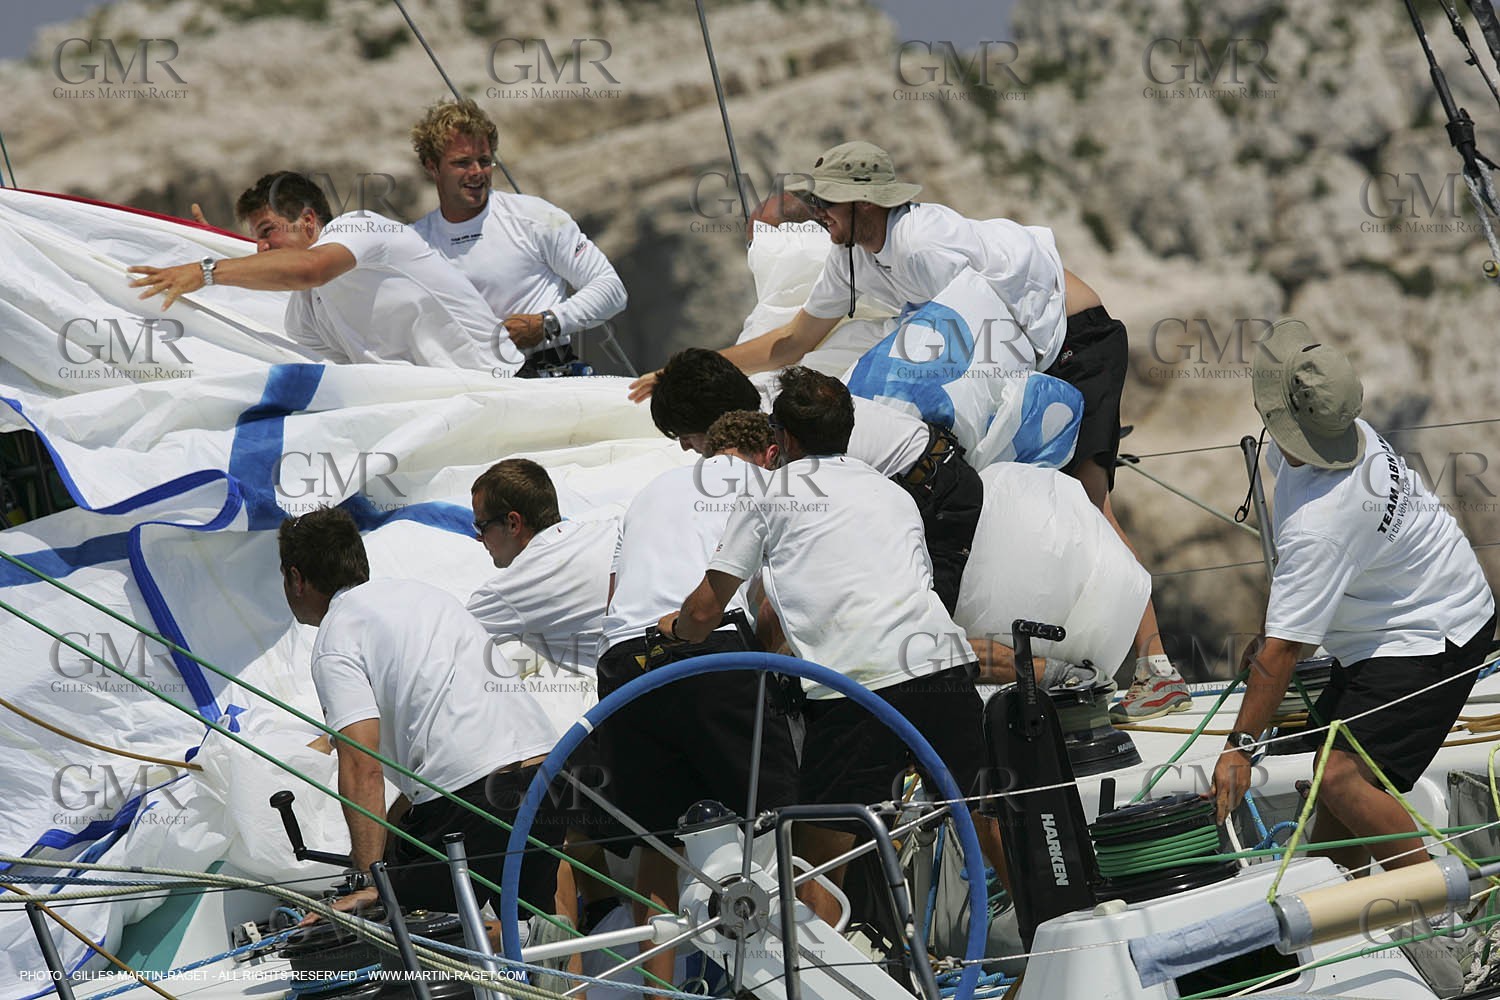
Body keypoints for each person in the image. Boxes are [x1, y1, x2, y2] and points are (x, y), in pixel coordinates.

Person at [630, 142, 1190, 720]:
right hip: (1023, 345)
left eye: (828, 202)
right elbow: (792, 342)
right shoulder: (851, 259)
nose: (817, 212)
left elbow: (979, 331)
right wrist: (692, 365)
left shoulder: (924, 245)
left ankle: (1158, 667)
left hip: (1071, 341)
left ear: (865, 205)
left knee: (1088, 500)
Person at [664, 367, 1004, 922]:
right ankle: (1053, 935)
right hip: (943, 670)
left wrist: (673, 630)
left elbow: (704, 612)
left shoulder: (771, 495)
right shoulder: (893, 493)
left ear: (785, 440)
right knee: (985, 817)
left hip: (857, 692)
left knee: (811, 867)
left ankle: (825, 978)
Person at [1210, 322, 1496, 874]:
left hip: (1435, 633)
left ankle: (1444, 911)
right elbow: (1291, 619)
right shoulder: (1346, 431)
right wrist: (1275, 635)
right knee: (1330, 780)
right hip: (1400, 616)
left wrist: (1239, 748)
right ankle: (1348, 899)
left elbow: (1284, 652)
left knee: (1339, 776)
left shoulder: (1322, 522)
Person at [277, 506, 564, 920]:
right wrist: (390, 841)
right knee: (525, 939)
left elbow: (362, 764)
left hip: (474, 800)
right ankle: (535, 942)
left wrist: (367, 880)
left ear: (296, 578)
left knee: (405, 921)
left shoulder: (337, 635)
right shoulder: (423, 595)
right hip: (545, 779)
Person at [596, 414, 800, 985]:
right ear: (767, 452)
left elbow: (616, 601)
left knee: (658, 842)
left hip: (623, 665)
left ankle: (660, 995)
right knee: (777, 823)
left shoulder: (646, 496)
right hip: (710, 653)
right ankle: (783, 982)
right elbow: (775, 604)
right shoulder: (764, 486)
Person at [649, 348, 982, 614]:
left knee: (918, 633)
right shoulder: (768, 395)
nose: (683, 446)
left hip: (938, 497)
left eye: (686, 434)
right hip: (927, 473)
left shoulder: (772, 442)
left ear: (716, 421)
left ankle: (1030, 669)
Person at [133, 172, 519, 373]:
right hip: (448, 407)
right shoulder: (305, 314)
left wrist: (205, 270)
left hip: (505, 384)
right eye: (255, 240)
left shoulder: (361, 225)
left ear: (308, 221)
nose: (261, 248)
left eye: (267, 232)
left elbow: (309, 268)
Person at [467, 458, 621, 929]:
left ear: (513, 523)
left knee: (541, 824)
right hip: (671, 692)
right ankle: (604, 903)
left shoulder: (515, 584)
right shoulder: (608, 529)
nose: (478, 538)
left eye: (482, 526)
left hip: (618, 729)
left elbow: (442, 644)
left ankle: (567, 971)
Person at [410, 100, 627, 377]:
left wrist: (547, 323)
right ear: (433, 167)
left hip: (548, 378)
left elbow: (612, 289)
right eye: (462, 163)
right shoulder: (415, 243)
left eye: (485, 161)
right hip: (469, 388)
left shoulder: (535, 217)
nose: (477, 172)